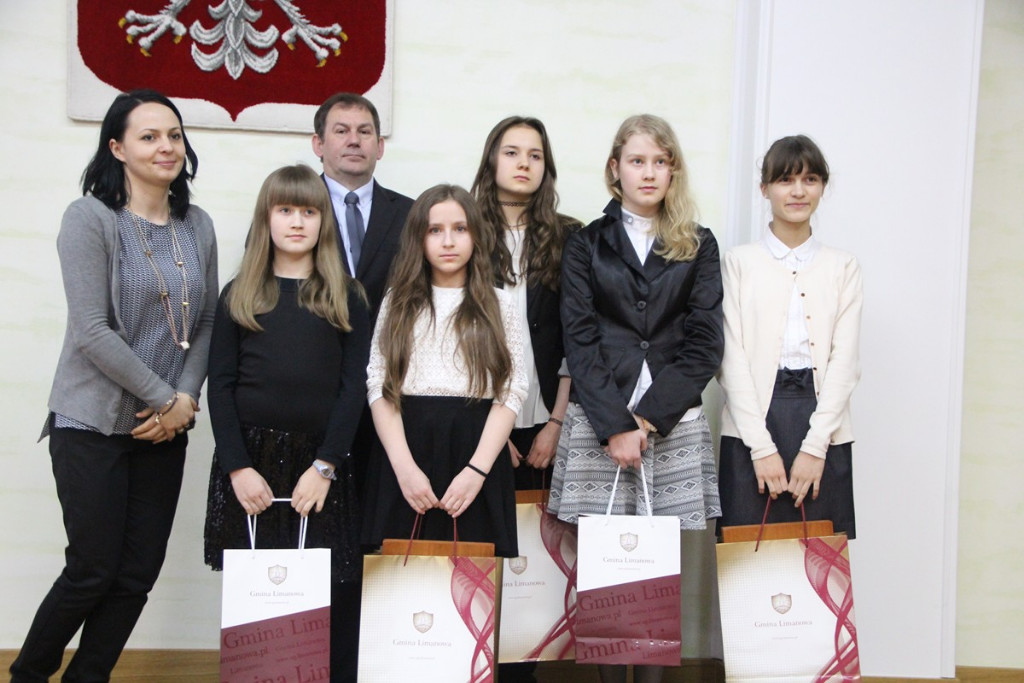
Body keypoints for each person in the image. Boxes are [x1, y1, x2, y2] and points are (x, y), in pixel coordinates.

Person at [10, 89, 218, 683]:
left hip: (163, 430)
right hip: (92, 423)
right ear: (118, 148)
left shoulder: (196, 225)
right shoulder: (90, 218)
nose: (166, 146)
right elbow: (91, 330)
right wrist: (166, 398)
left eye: (174, 135)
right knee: (92, 570)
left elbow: (205, 321)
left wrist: (186, 401)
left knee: (135, 577)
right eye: (149, 136)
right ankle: (28, 675)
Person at [550, 114, 723, 683]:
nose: (649, 172)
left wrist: (647, 419)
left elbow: (705, 344)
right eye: (637, 160)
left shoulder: (699, 243)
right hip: (601, 416)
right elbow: (579, 339)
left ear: (673, 171)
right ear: (615, 169)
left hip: (671, 419)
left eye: (660, 161)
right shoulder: (585, 243)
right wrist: (616, 425)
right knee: (607, 565)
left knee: (655, 570)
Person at [203, 164, 370, 683]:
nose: (297, 221)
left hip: (321, 465)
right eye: (285, 210)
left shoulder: (348, 295)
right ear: (266, 218)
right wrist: (237, 469)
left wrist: (325, 467)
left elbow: (353, 389)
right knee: (262, 595)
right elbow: (220, 386)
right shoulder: (238, 293)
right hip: (251, 464)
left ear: (324, 221)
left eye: (309, 211)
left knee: (330, 591)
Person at [362, 184, 528, 557]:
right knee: (399, 578)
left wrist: (477, 471)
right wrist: (404, 468)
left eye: (460, 229)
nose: (448, 241)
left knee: (474, 576)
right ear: (418, 239)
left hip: (476, 449)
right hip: (405, 448)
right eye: (435, 230)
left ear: (476, 236)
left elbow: (513, 389)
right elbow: (379, 384)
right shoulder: (397, 302)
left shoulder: (499, 304)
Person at [717, 134, 861, 538]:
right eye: (785, 180)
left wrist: (815, 448)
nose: (798, 191)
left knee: (820, 558)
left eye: (810, 179)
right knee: (745, 556)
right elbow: (730, 362)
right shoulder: (738, 262)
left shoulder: (843, 267)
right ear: (765, 188)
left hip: (824, 425)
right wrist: (761, 448)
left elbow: (845, 364)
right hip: (750, 424)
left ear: (822, 187)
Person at [471, 117, 580, 495]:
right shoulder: (465, 233)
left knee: (544, 528)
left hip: (549, 414)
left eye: (535, 155)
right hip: (479, 416)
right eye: (512, 153)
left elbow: (578, 338)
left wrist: (557, 423)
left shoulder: (570, 236)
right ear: (491, 161)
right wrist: (488, 430)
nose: (524, 163)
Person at [311, 92, 413, 325]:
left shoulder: (410, 214)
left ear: (380, 147)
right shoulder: (291, 209)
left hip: (388, 344)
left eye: (364, 132)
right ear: (319, 144)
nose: (354, 140)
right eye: (341, 131)